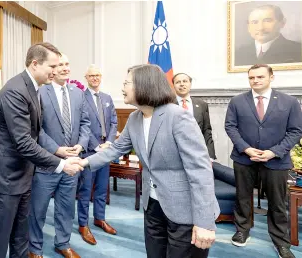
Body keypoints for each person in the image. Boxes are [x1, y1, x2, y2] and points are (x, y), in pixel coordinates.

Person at [79, 64, 219, 258]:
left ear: (144, 85)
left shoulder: (178, 117)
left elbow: (200, 170)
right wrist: (83, 163)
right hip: (153, 205)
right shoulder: (135, 118)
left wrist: (204, 222)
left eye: (126, 83)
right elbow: (117, 148)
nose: (122, 88)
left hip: (184, 210)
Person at [0, 43, 83, 258]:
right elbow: (24, 142)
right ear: (35, 64)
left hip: (24, 174)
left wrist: (59, 156)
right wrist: (62, 164)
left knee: (21, 237)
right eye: (52, 66)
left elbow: (35, 134)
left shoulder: (34, 88)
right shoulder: (15, 91)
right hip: (6, 177)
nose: (56, 71)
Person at [225, 64, 302, 258]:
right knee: (242, 197)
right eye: (252, 78)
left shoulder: (290, 102)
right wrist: (246, 148)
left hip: (276, 160)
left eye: (260, 77)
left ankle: (280, 242)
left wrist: (273, 152)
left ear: (271, 78)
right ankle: (242, 230)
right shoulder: (237, 101)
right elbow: (230, 127)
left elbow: (295, 131)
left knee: (277, 202)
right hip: (244, 158)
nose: (256, 80)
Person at [28, 54, 90, 258]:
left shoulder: (78, 93)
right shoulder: (40, 92)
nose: (64, 68)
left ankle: (62, 243)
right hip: (47, 163)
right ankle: (34, 248)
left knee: (66, 207)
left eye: (67, 64)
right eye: (60, 64)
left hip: (72, 162)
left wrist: (81, 145)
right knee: (38, 209)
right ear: (52, 69)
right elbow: (36, 129)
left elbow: (85, 124)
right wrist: (57, 150)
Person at [76, 65, 118, 245]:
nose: (95, 78)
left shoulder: (107, 98)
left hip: (106, 150)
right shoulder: (81, 98)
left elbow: (114, 122)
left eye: (97, 75)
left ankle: (99, 218)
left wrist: (108, 142)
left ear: (101, 77)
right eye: (91, 75)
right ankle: (83, 224)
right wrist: (96, 146)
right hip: (90, 152)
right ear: (86, 78)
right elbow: (81, 125)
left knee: (102, 188)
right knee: (86, 190)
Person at [235, 4, 302, 66]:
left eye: (267, 21)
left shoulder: (298, 50)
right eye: (254, 22)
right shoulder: (238, 53)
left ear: (282, 23)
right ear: (248, 27)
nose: (260, 28)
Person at [172, 73, 216, 160]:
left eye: (185, 81)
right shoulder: (167, 105)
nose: (182, 84)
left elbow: (206, 131)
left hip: (198, 153)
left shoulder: (202, 104)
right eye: (178, 82)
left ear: (190, 84)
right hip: (175, 154)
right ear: (173, 85)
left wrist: (210, 156)